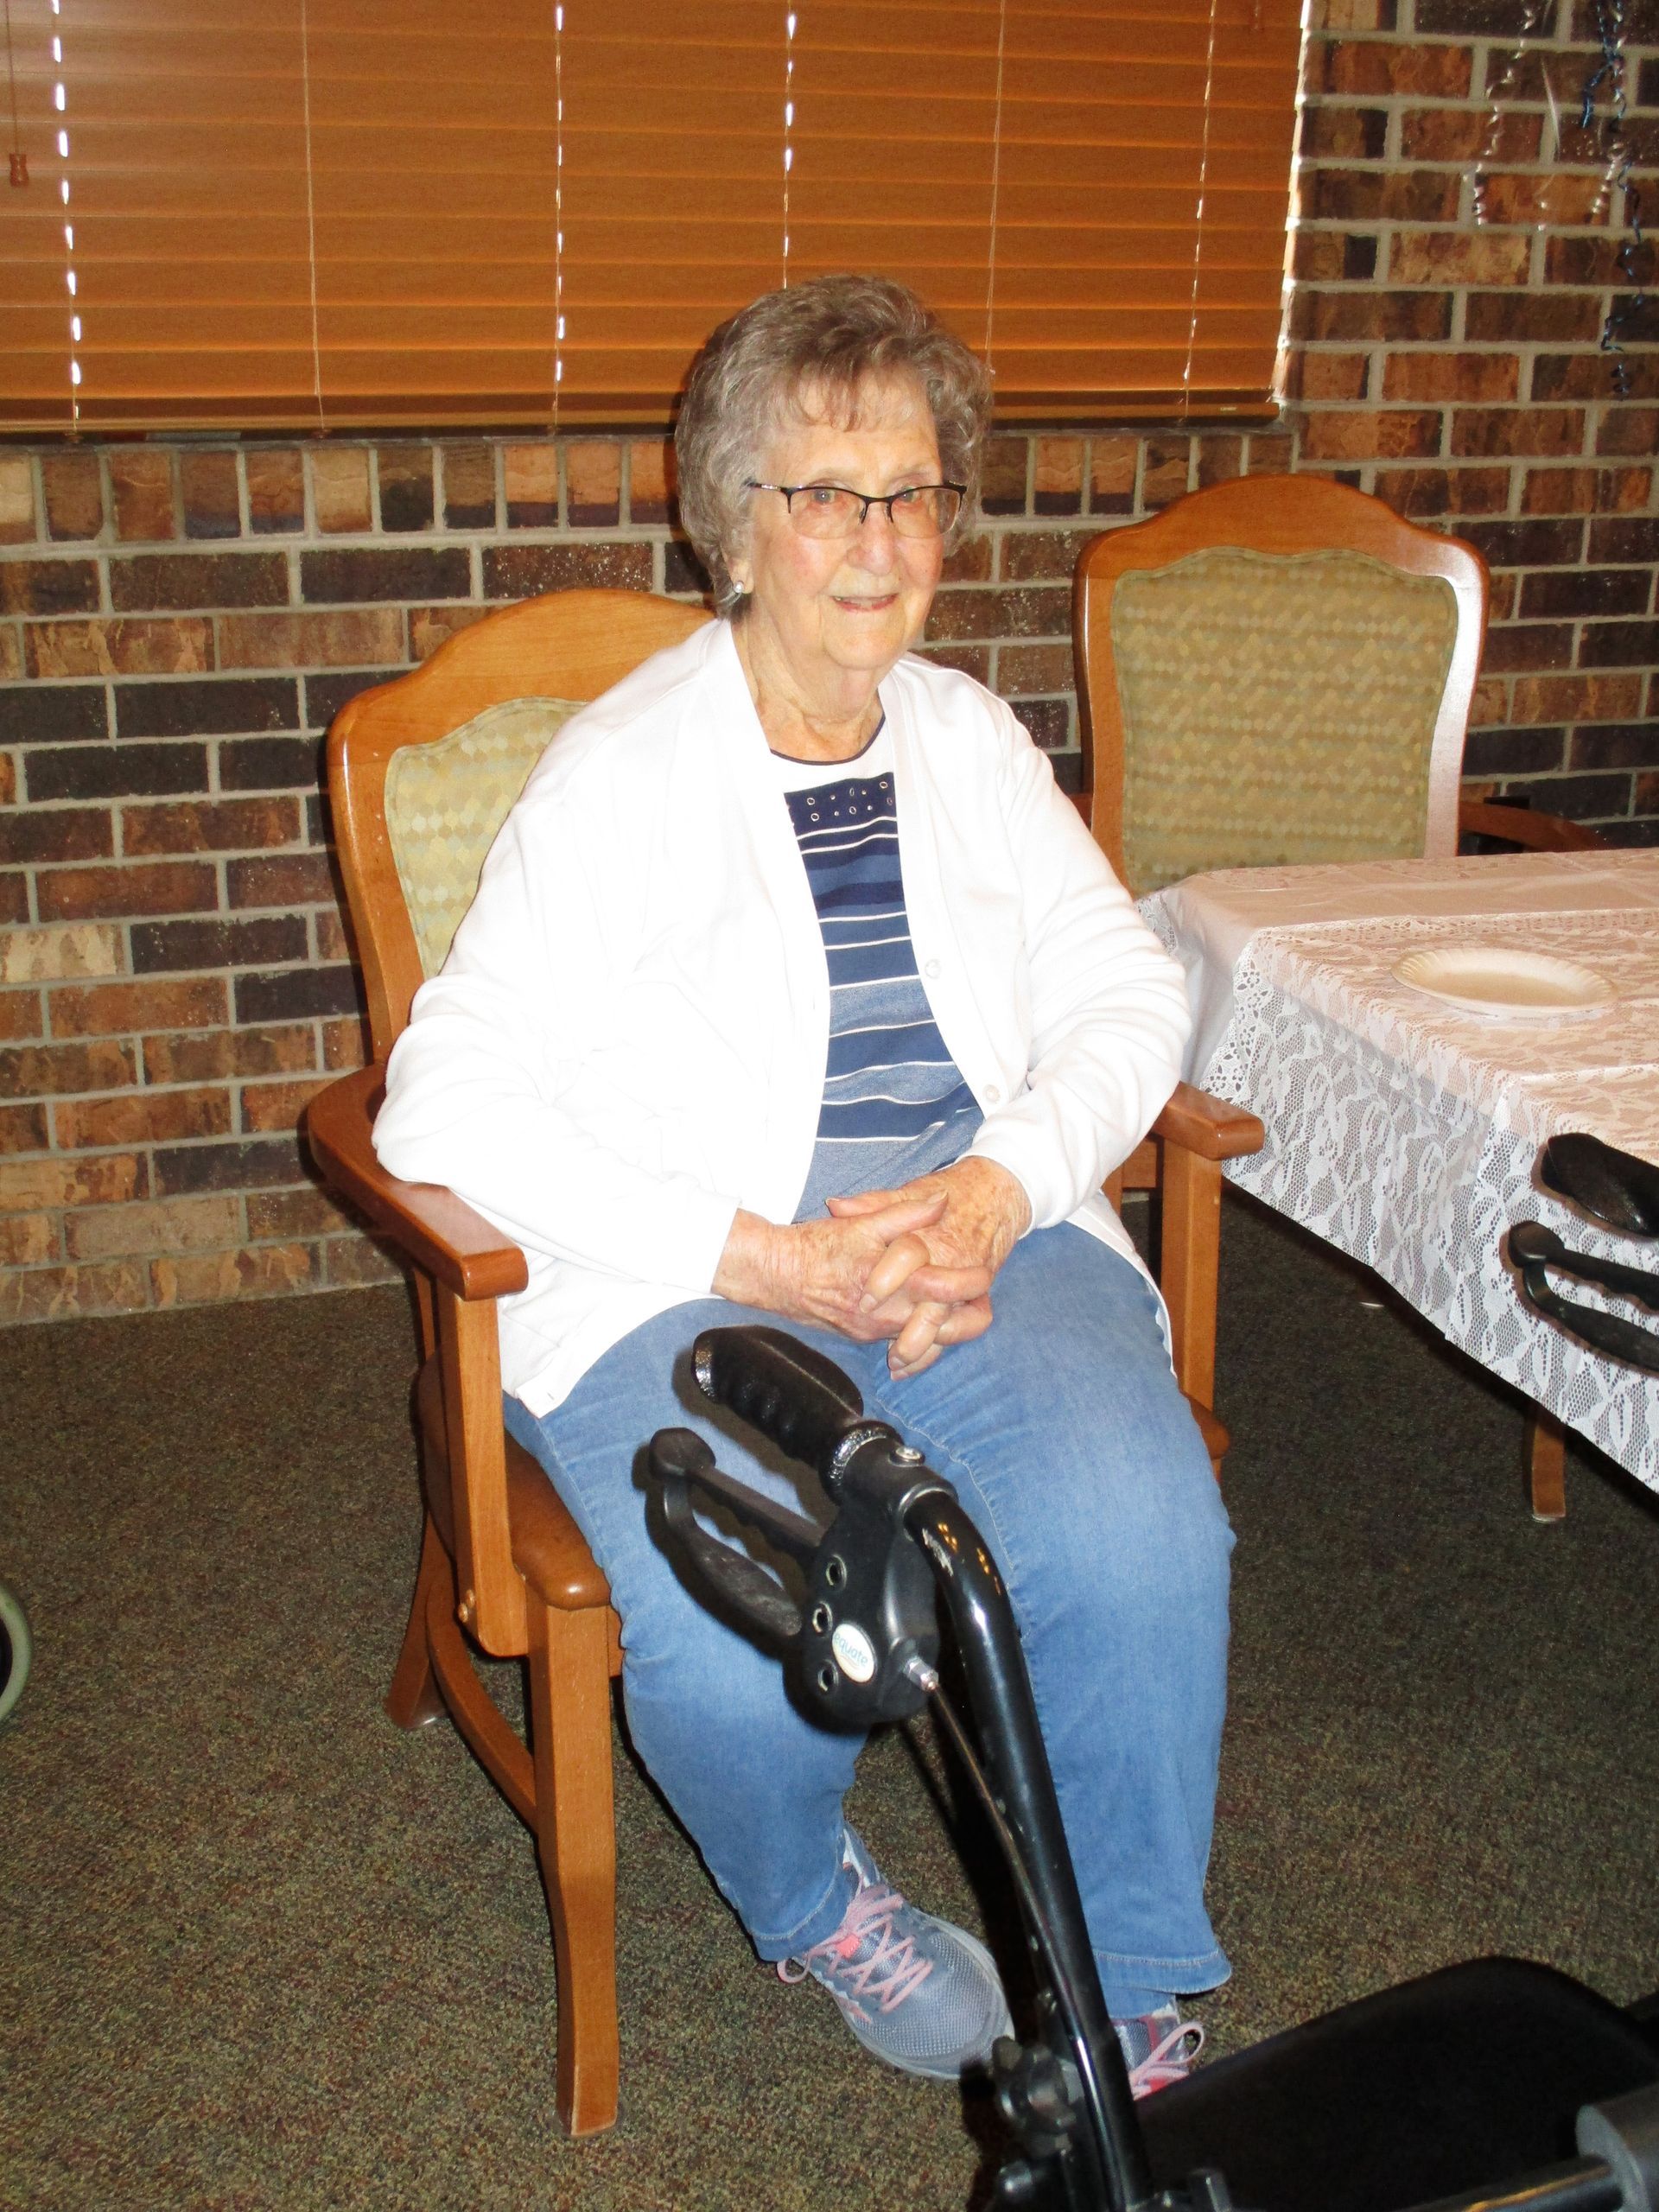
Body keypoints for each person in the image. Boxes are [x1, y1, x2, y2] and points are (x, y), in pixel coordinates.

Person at [373, 274, 1232, 2097]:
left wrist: (1000, 1191)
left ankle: (1128, 1975)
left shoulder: (967, 738)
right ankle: (814, 1896)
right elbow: (440, 1100)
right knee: (726, 1618)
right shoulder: (620, 778)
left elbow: (1130, 986)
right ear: (734, 526)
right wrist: (759, 1251)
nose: (880, 540)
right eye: (826, 494)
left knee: (1137, 1520)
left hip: (970, 1238)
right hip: (695, 1269)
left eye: (915, 492)